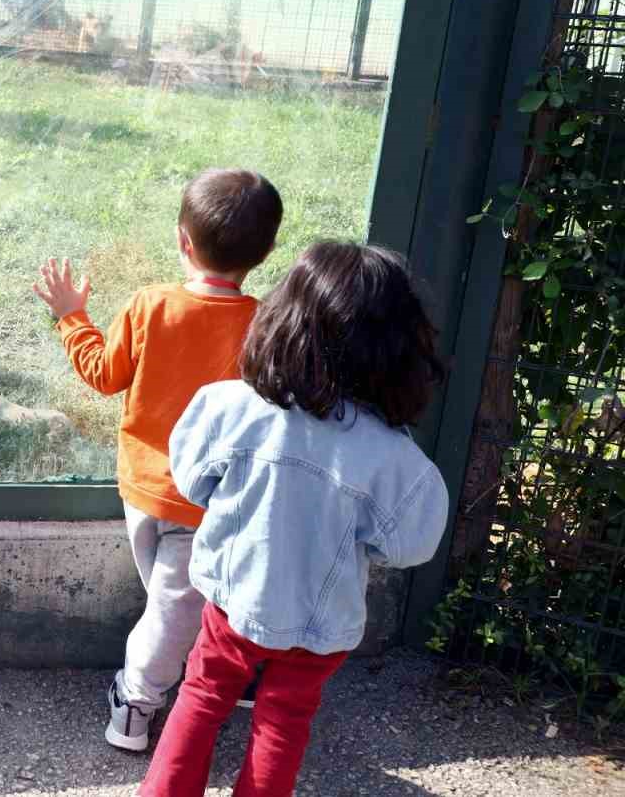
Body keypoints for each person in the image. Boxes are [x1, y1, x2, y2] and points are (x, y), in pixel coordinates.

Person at [141, 242, 450, 796]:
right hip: (320, 627)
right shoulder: (394, 459)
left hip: (232, 602)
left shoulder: (228, 406)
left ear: (283, 320)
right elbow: (411, 545)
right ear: (401, 350)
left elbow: (191, 482)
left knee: (203, 695)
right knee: (284, 721)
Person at [33, 169, 283, 752]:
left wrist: (72, 315)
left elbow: (103, 374)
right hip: (218, 498)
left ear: (182, 240)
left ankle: (140, 700)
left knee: (179, 604)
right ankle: (155, 693)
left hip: (149, 488)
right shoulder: (265, 323)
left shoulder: (151, 306)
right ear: (267, 252)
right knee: (184, 604)